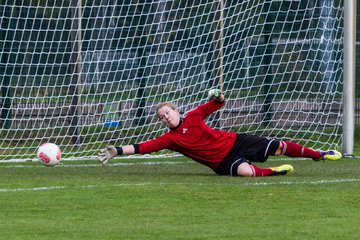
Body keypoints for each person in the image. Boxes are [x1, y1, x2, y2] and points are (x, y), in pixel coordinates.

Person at [98, 89, 342, 177]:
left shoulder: (193, 115)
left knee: (278, 146)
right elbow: (144, 147)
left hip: (235, 142)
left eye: (168, 112)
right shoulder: (170, 139)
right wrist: (117, 150)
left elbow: (216, 104)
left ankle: (319, 154)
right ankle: (272, 172)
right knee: (246, 172)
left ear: (176, 110)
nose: (166, 117)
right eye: (162, 117)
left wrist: (218, 96)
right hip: (221, 162)